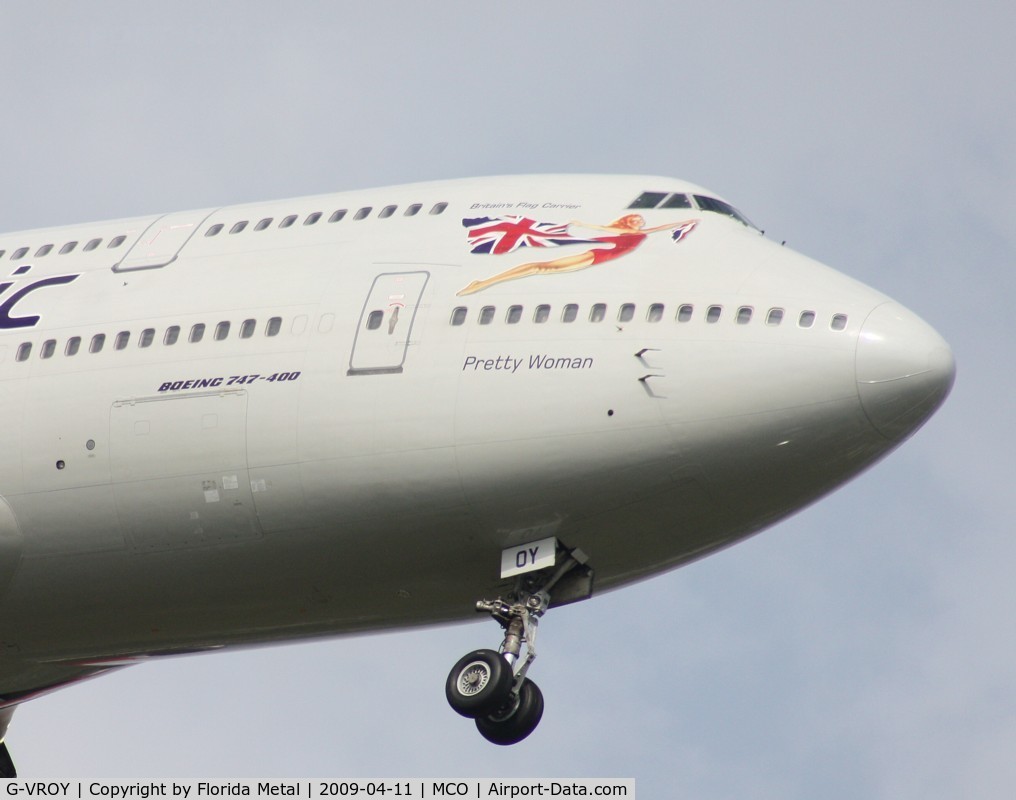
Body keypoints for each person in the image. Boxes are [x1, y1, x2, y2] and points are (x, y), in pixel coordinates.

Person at [457, 214, 697, 296]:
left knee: (542, 267)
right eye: (636, 219)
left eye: (640, 221)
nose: (639, 222)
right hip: (597, 255)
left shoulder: (642, 231)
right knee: (541, 267)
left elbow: (659, 228)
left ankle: (483, 282)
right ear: (627, 220)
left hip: (602, 258)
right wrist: (582, 223)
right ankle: (483, 283)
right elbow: (603, 230)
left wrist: (687, 221)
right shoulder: (622, 229)